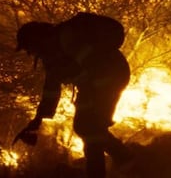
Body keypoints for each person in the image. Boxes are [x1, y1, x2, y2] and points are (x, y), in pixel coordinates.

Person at [13, 12, 132, 178]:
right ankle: (127, 161)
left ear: (35, 39)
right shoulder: (51, 55)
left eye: (28, 47)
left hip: (109, 78)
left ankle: (111, 168)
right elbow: (51, 89)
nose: (29, 53)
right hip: (93, 86)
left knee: (90, 127)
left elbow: (94, 64)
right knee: (87, 126)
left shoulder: (67, 38)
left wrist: (95, 97)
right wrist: (38, 119)